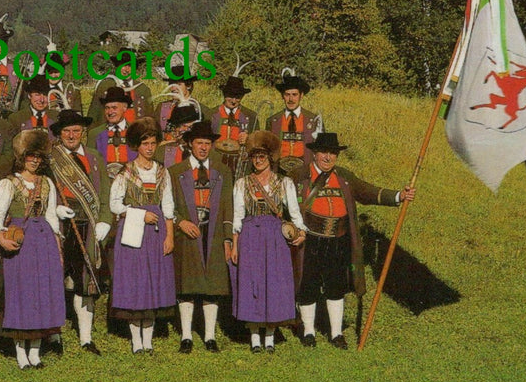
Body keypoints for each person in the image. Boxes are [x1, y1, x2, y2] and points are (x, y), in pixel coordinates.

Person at [294, 132, 414, 349]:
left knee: (335, 286)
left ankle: (336, 333)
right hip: (309, 240)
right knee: (308, 284)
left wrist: (398, 196)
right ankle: (309, 332)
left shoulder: (344, 177)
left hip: (338, 240)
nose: (328, 157)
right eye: (324, 152)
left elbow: (368, 192)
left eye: (333, 153)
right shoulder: (300, 176)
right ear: (315, 153)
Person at [0, 130, 65, 369]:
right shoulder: (8, 183)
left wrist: (58, 247)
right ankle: (20, 352)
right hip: (20, 243)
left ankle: (36, 351)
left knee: (42, 294)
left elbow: (52, 216)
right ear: (22, 157)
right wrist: (1, 239)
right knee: (21, 295)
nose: (34, 161)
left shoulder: (47, 183)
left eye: (38, 157)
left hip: (43, 242)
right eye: (30, 156)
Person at [229, 130, 307, 354]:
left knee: (273, 283)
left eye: (262, 156)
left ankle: (270, 335)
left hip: (275, 237)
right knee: (252, 282)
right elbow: (237, 216)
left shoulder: (284, 183)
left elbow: (294, 213)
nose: (258, 160)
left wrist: (301, 231)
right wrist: (235, 244)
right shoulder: (243, 184)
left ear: (270, 158)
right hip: (250, 236)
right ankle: (254, 336)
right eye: (254, 156)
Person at [108, 118, 176, 354]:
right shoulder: (125, 172)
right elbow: (115, 205)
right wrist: (138, 214)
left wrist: (170, 237)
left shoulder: (162, 172)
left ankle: (149, 338)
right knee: (136, 283)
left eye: (153, 143)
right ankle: (136, 339)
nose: (149, 148)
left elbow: (168, 206)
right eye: (145, 143)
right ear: (137, 145)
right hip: (134, 233)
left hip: (157, 233)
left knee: (153, 282)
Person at [48, 109, 111, 355]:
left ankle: (86, 338)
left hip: (89, 224)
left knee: (87, 281)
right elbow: (43, 191)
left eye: (76, 130)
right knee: (56, 279)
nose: (72, 135)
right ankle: (53, 335)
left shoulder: (95, 157)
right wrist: (55, 209)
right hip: (61, 226)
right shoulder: (51, 158)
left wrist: (105, 220)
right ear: (60, 134)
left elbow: (104, 192)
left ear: (83, 132)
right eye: (67, 131)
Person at [168, 121, 233, 353]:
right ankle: (186, 336)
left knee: (212, 285)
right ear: (189, 145)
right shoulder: (175, 172)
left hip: (213, 233)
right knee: (188, 285)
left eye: (207, 143)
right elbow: (168, 205)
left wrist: (228, 238)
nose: (204, 148)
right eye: (199, 143)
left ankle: (210, 336)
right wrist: (180, 222)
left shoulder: (223, 172)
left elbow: (228, 207)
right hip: (187, 233)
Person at [266, 71, 320, 176]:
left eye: (294, 95)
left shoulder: (313, 120)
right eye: (287, 95)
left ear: (301, 95)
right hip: (278, 172)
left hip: (305, 173)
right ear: (282, 96)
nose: (291, 99)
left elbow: (321, 151)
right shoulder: (273, 121)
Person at [87, 48, 153, 124]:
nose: (127, 69)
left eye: (130, 66)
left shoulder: (143, 89)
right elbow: (93, 115)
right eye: (123, 65)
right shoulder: (105, 86)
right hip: (108, 133)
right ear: (117, 66)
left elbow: (150, 119)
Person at [209, 74, 257, 172]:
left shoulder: (251, 116)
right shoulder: (211, 114)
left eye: (238, 97)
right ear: (224, 94)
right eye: (230, 96)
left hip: (240, 165)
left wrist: (248, 138)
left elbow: (257, 143)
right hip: (215, 163)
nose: (234, 101)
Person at [88, 86, 136, 174]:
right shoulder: (94, 134)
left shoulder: (136, 131)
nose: (110, 112)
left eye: (114, 108)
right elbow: (90, 166)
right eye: (107, 108)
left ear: (125, 107)